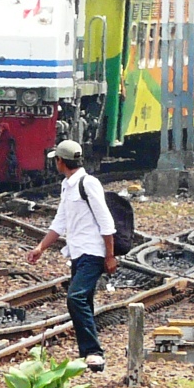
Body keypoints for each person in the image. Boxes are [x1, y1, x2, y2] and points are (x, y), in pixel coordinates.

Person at [26, 140, 117, 371]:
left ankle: (94, 353)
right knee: (82, 300)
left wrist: (110, 256)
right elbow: (61, 221)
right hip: (78, 252)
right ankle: (88, 355)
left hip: (93, 252)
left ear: (60, 161)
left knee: (75, 298)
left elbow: (106, 222)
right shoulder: (68, 185)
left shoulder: (89, 183)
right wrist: (41, 247)